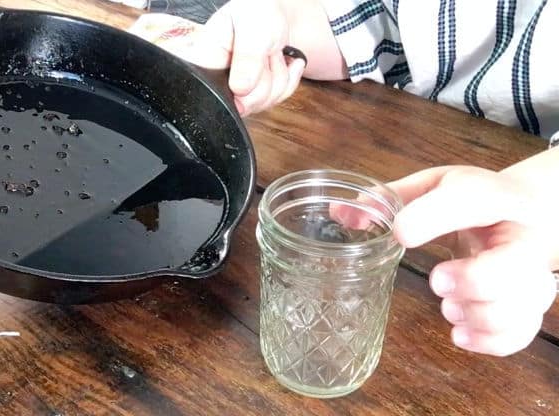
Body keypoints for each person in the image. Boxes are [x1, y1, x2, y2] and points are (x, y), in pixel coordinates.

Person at [163, 0, 559, 357]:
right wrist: (283, 19)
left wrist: (536, 199)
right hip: (391, 150)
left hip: (522, 235)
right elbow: (377, 21)